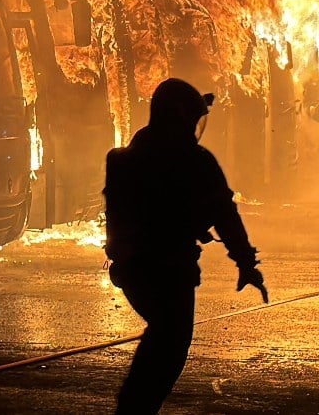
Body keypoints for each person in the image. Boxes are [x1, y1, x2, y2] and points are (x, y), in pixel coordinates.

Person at [103, 77, 267, 414]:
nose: (194, 127)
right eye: (192, 119)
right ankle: (133, 408)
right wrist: (246, 263)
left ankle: (134, 407)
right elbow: (225, 214)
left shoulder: (128, 157)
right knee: (170, 340)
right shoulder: (195, 161)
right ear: (178, 116)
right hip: (170, 270)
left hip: (132, 270)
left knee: (165, 337)